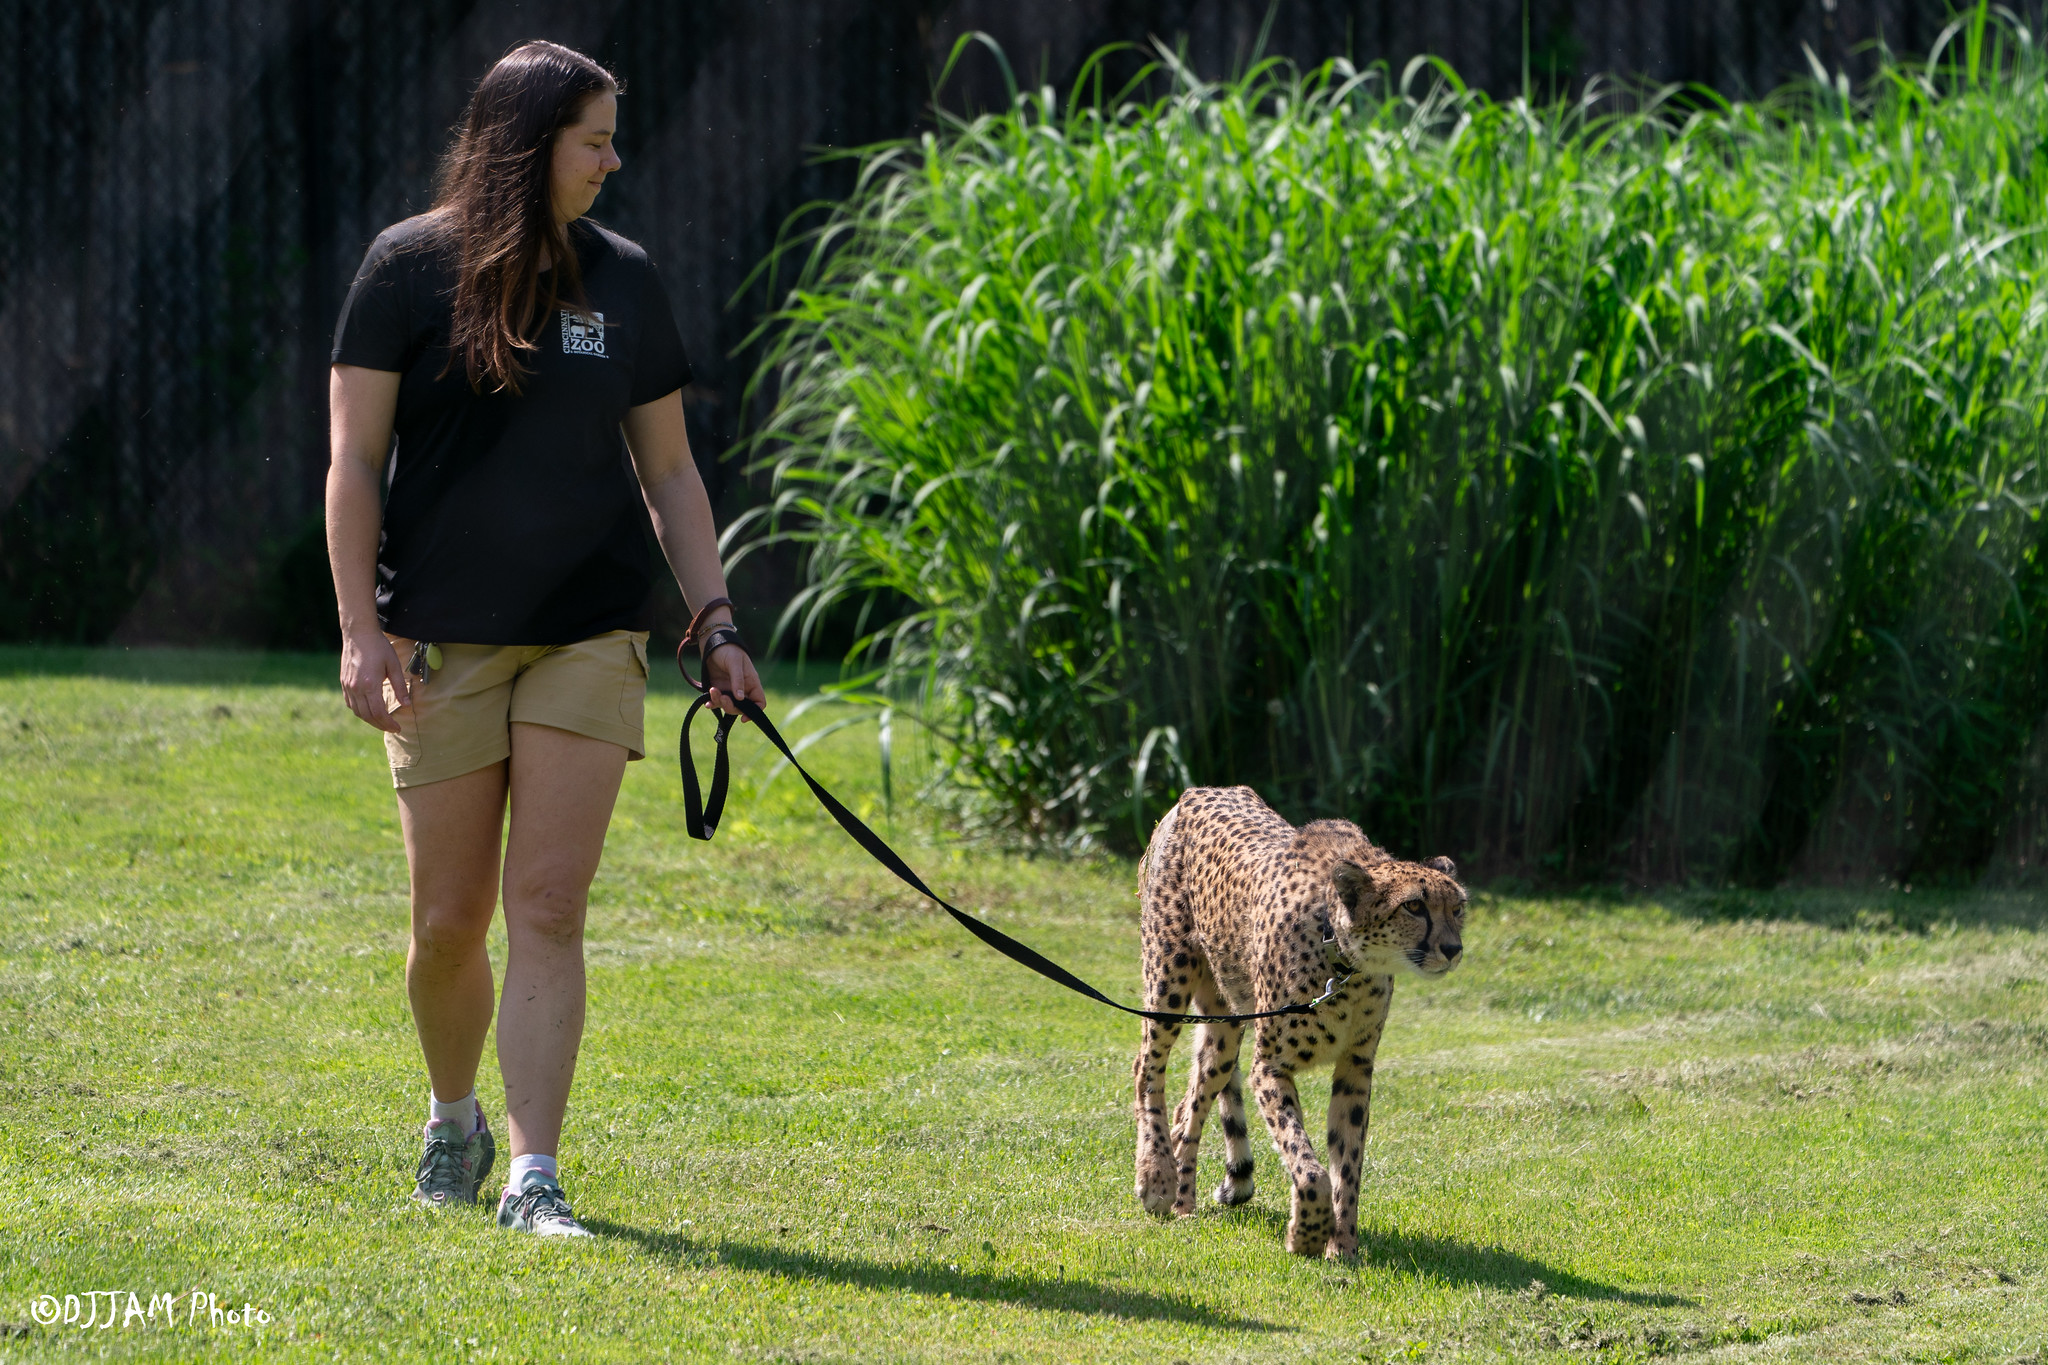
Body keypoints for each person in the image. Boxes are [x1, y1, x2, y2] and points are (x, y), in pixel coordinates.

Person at [325, 39, 762, 1238]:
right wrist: (362, 629)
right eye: (594, 138)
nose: (615, 160)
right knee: (447, 924)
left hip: (588, 633)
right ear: (528, 144)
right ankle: (451, 1118)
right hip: (442, 642)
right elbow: (354, 463)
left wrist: (713, 618)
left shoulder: (624, 280)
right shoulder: (407, 270)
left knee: (550, 905)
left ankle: (533, 1175)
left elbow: (668, 473)